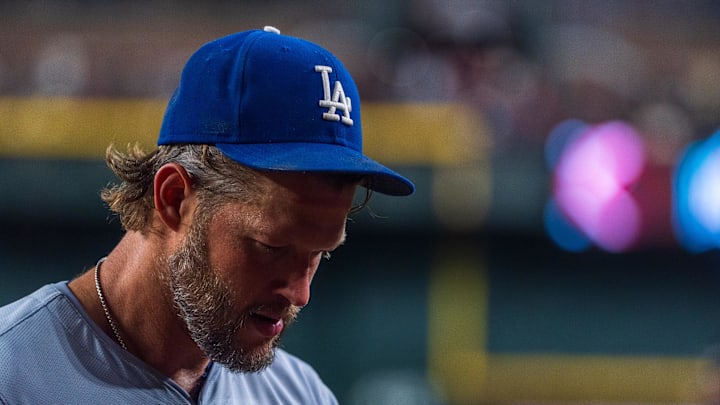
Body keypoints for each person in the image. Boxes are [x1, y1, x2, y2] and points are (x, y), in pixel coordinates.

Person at [0, 26, 414, 404]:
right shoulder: (12, 376)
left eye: (320, 254)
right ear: (175, 197)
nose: (300, 293)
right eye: (271, 247)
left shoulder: (299, 393)